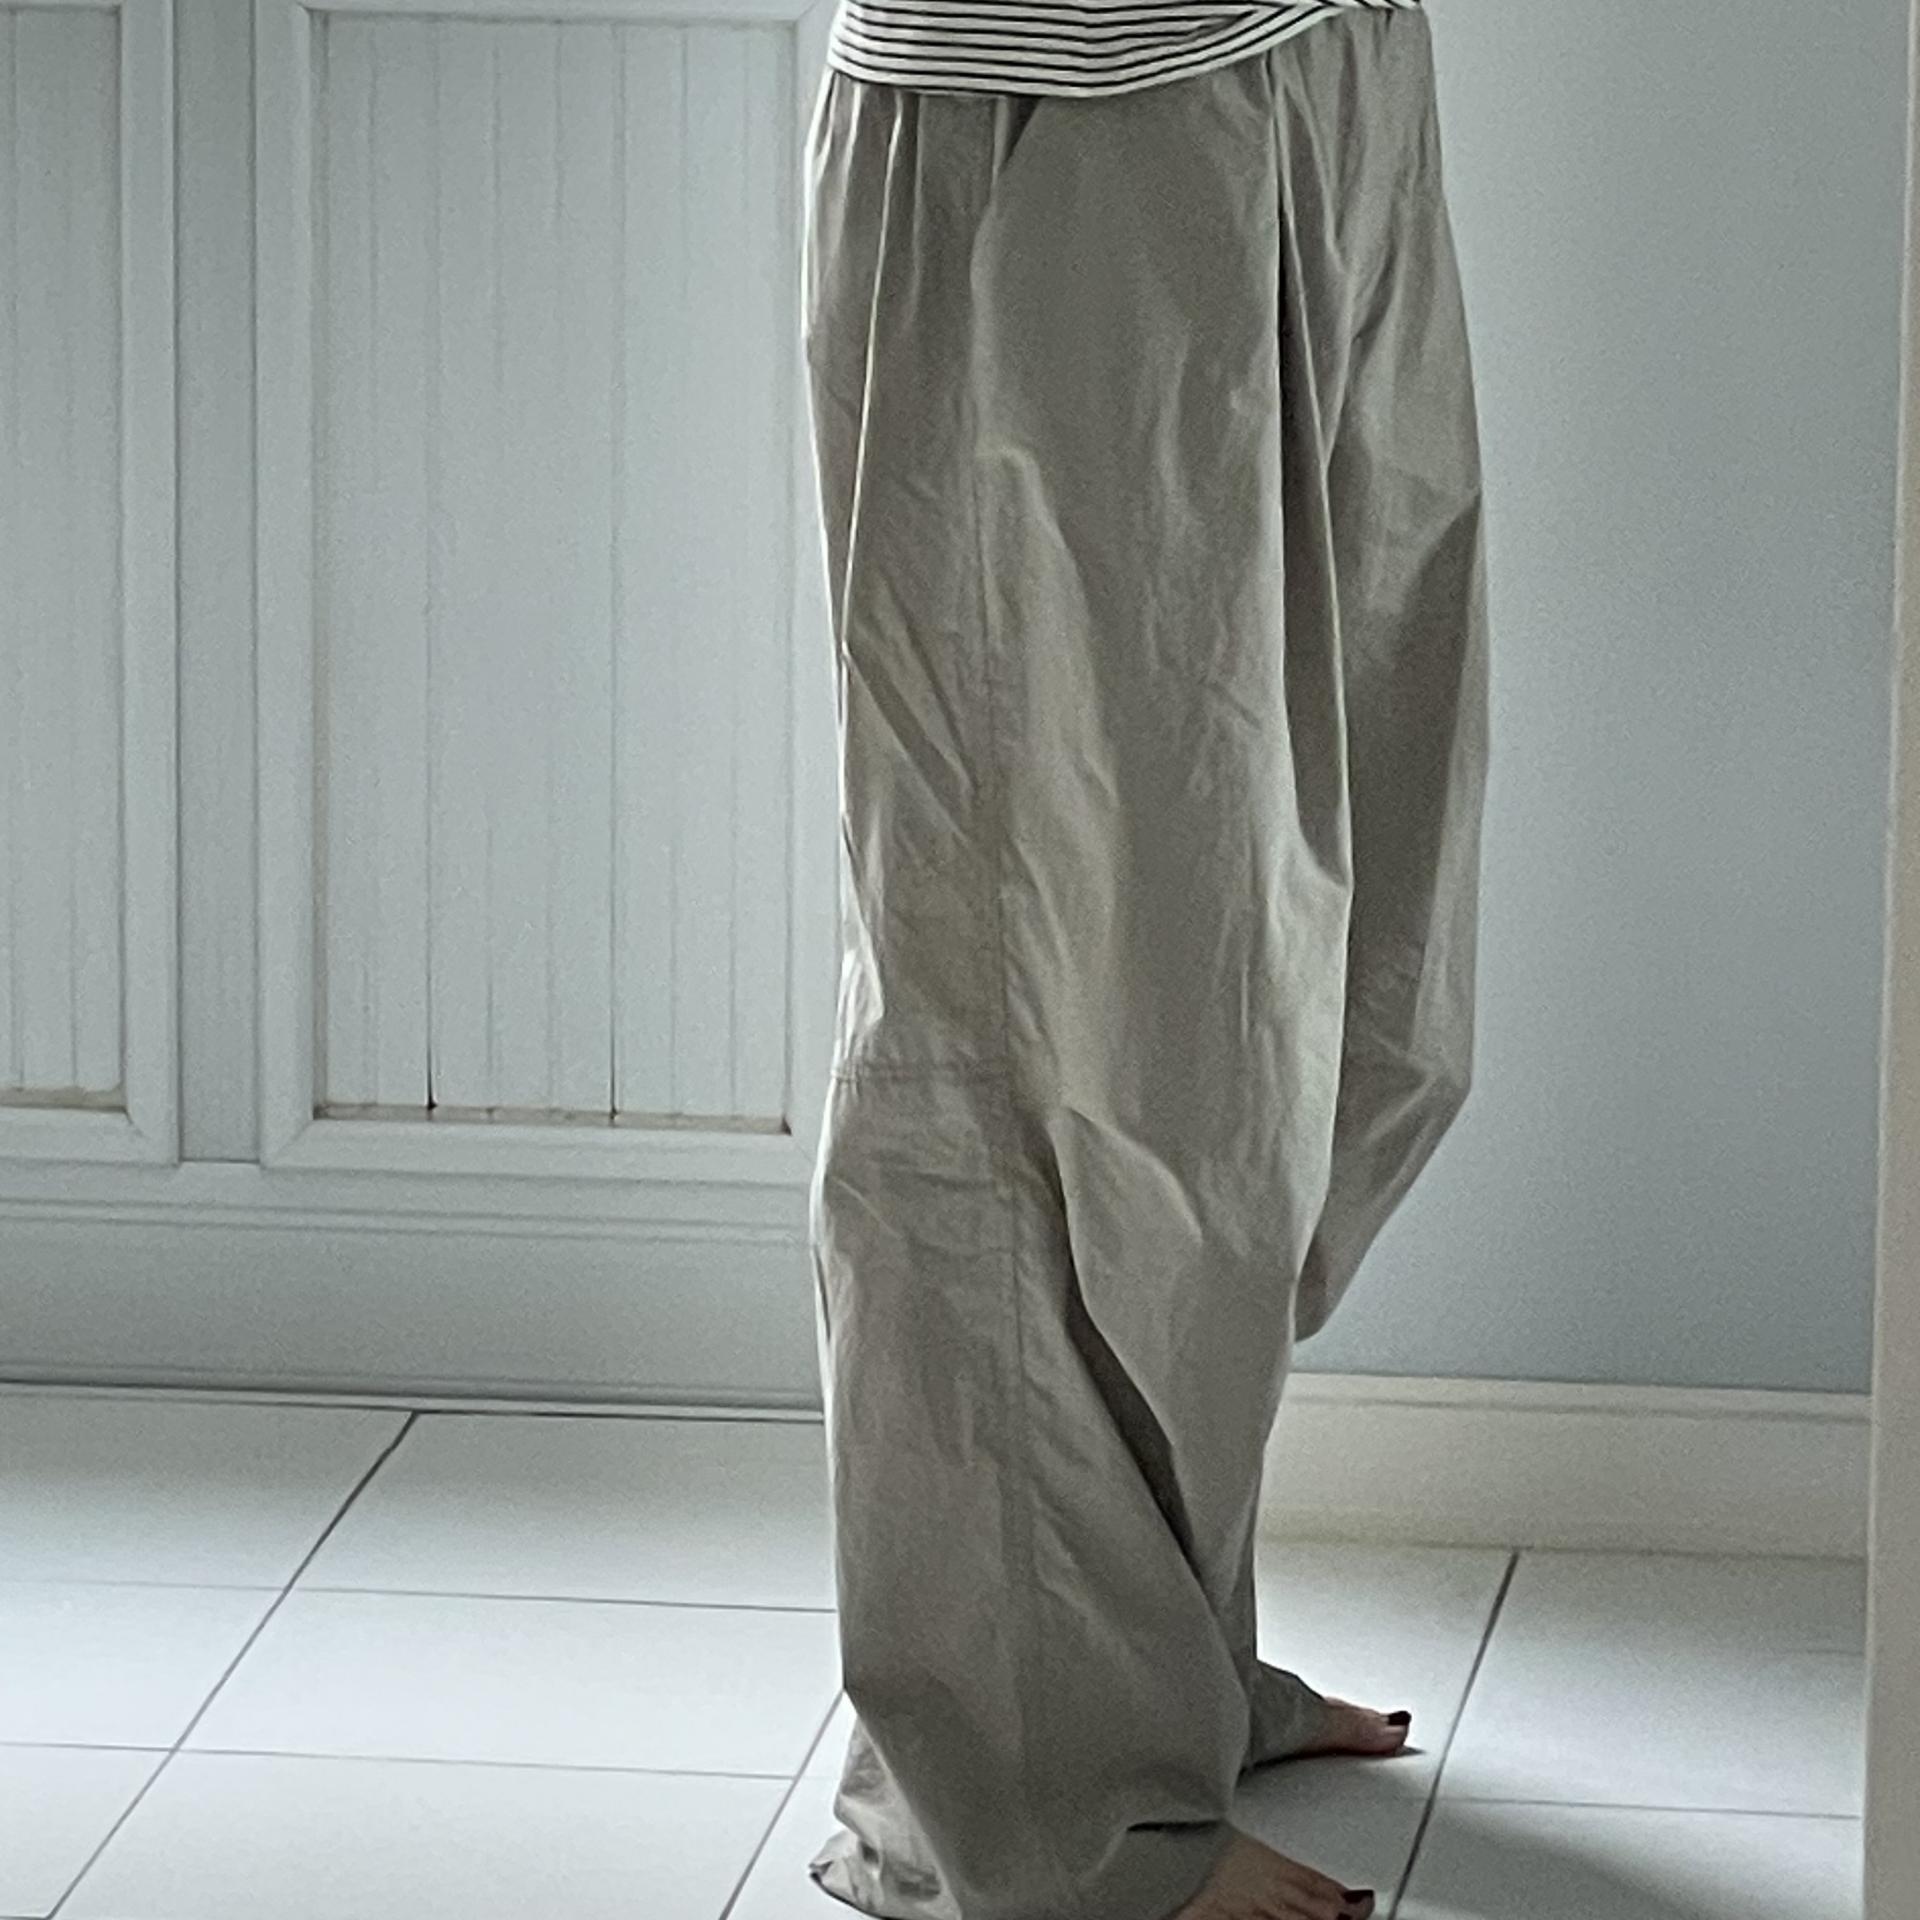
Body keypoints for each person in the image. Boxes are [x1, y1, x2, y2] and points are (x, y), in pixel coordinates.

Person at [799, 4, 1490, 1917]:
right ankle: (1043, 1792)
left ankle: (1154, 1667)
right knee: (1015, 1010)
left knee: (1296, 1006)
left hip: (1316, 64)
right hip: (1045, 95)